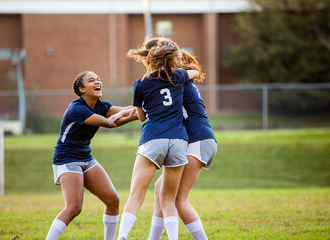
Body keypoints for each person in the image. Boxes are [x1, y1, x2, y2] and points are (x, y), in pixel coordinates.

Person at [116, 38, 199, 240]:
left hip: (153, 139)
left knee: (136, 196)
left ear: (149, 58)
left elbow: (142, 116)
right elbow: (195, 72)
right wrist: (179, 68)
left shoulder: (140, 84)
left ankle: (122, 237)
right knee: (168, 200)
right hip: (179, 141)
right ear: (169, 59)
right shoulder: (178, 77)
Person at [45, 71, 138, 240]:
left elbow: (126, 110)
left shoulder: (101, 106)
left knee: (112, 200)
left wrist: (146, 109)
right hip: (67, 159)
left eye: (99, 79)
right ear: (81, 89)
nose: (98, 82)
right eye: (91, 80)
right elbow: (109, 123)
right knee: (74, 208)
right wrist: (135, 115)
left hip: (85, 157)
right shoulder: (77, 108)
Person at [148, 50, 217, 240]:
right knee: (160, 188)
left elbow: (151, 107)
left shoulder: (179, 84)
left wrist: (125, 114)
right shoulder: (183, 84)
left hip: (198, 140)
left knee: (178, 199)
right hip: (200, 140)